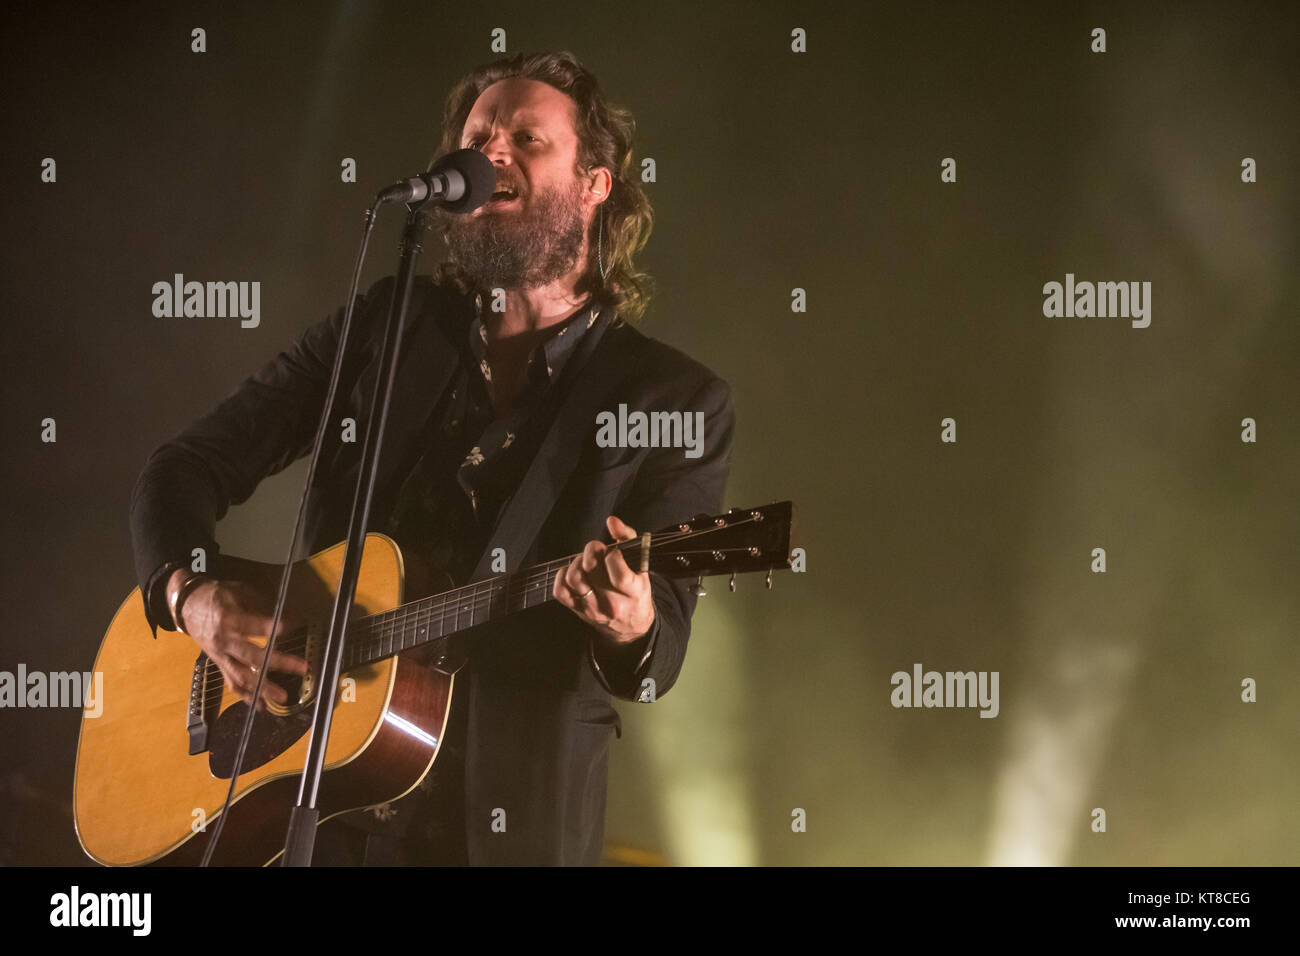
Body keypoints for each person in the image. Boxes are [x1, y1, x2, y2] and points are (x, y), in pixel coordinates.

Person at [129, 50, 735, 866]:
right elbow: (186, 465)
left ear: (596, 185)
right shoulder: (386, 326)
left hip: (512, 822)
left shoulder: (675, 400)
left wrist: (632, 619)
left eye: (527, 137)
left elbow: (656, 658)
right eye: (479, 133)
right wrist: (192, 595)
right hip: (319, 798)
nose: (491, 151)